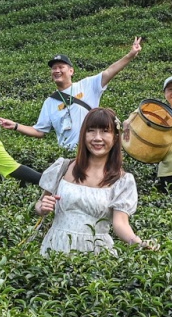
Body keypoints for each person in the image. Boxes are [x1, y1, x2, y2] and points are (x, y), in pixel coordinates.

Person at [34, 107, 153, 252]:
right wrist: (42, 207)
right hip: (56, 246)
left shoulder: (122, 181)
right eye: (91, 130)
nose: (97, 137)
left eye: (105, 131)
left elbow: (120, 223)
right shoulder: (63, 167)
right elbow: (41, 203)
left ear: (115, 137)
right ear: (84, 135)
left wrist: (138, 243)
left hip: (96, 253)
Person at [0, 38, 144, 150]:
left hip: (92, 149)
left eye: (61, 67)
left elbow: (110, 71)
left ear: (71, 71)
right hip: (67, 153)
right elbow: (39, 131)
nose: (57, 71)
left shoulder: (87, 85)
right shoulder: (50, 102)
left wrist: (130, 55)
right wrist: (15, 125)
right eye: (54, 68)